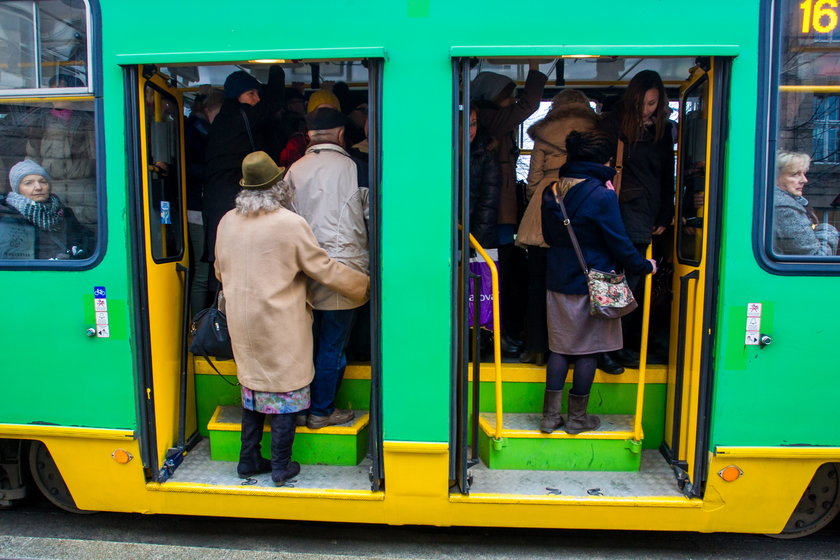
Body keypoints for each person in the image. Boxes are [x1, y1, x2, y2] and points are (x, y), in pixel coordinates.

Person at [214, 151, 369, 486]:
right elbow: (321, 268)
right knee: (287, 393)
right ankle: (281, 467)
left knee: (254, 389)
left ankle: (248, 460)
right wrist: (362, 285)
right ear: (278, 188)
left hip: (242, 322)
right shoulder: (289, 223)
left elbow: (218, 270)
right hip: (279, 323)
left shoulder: (227, 221)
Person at [540, 130, 656, 435]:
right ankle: (577, 419)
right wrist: (645, 265)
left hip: (558, 280)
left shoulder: (551, 191)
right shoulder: (602, 195)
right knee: (587, 352)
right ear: (603, 160)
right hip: (593, 283)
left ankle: (550, 417)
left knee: (560, 349)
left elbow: (550, 238)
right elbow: (619, 242)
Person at [286, 107, 370, 430]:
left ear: (309, 136)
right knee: (333, 345)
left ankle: (299, 406)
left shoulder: (293, 170)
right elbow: (370, 219)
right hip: (343, 271)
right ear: (340, 134)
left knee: (304, 341)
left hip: (302, 269)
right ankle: (321, 410)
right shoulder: (356, 168)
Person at [516, 89, 598, 368]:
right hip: (580, 206)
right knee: (574, 290)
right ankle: (569, 351)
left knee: (538, 284)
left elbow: (532, 179)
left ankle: (536, 348)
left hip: (544, 205)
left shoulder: (543, 134)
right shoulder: (595, 132)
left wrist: (537, 202)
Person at [598, 70, 674, 369]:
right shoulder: (613, 123)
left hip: (646, 213)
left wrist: (665, 212)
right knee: (613, 283)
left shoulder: (663, 131)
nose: (647, 110)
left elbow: (667, 172)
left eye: (653, 104)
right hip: (618, 210)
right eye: (642, 103)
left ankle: (619, 346)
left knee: (632, 287)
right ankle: (607, 349)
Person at [472, 61, 548, 354]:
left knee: (498, 276)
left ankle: (496, 333)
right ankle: (494, 335)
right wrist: (534, 67)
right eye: (508, 95)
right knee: (494, 277)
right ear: (492, 97)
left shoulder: (491, 121)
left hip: (499, 214)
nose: (512, 101)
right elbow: (528, 105)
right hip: (495, 216)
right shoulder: (491, 118)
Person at [203, 70, 267, 304]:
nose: (257, 99)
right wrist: (277, 73)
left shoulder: (225, 120)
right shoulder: (239, 117)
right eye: (251, 94)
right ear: (236, 96)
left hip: (218, 201)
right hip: (228, 201)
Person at [0, 160, 92, 260]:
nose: (38, 187)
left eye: (43, 182)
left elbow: (86, 242)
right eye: (28, 183)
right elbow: (15, 258)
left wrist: (74, 257)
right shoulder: (11, 218)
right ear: (18, 189)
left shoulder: (65, 214)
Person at [773, 151, 839, 256]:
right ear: (775, 177)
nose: (804, 180)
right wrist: (828, 231)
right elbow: (817, 257)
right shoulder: (785, 208)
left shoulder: (778, 202)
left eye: (804, 174)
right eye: (795, 174)